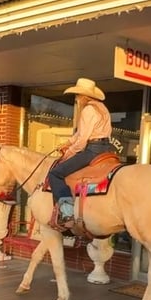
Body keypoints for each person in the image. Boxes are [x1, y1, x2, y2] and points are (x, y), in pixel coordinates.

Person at [49, 78, 115, 228]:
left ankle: (67, 213)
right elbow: (80, 134)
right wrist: (68, 142)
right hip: (106, 149)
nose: (76, 98)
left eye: (78, 95)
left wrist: (69, 153)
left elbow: (83, 140)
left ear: (84, 96)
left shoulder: (88, 110)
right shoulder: (103, 108)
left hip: (93, 150)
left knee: (55, 173)